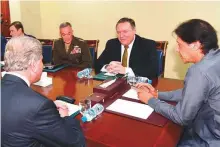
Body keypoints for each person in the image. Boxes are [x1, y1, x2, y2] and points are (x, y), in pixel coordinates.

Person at [136, 19, 220, 147]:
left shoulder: (199, 71)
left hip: (208, 139)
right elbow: (194, 93)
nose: (176, 49)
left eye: (179, 44)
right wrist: (158, 94)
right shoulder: (215, 59)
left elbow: (181, 117)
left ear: (196, 45)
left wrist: (150, 100)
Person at [1, 36, 85, 147]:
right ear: (34, 65)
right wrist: (65, 116)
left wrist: (49, 109)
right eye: (42, 60)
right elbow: (76, 143)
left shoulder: (37, 104)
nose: (43, 64)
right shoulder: (38, 106)